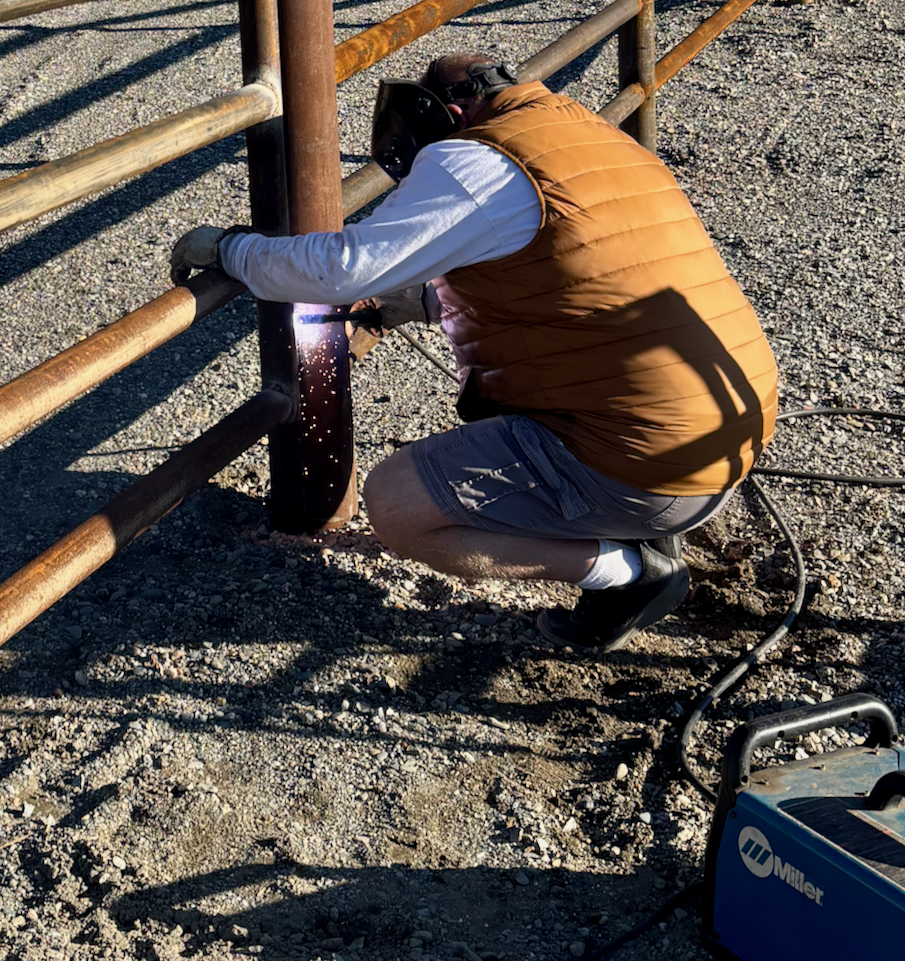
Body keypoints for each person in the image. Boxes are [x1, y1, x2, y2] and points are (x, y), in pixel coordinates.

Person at [171, 53, 779, 652]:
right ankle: (631, 520)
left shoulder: (475, 159)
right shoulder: (585, 134)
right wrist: (432, 303)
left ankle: (631, 574)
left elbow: (341, 269)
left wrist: (231, 251)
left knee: (400, 507)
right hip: (723, 437)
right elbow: (576, 283)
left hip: (644, 467)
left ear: (450, 113)